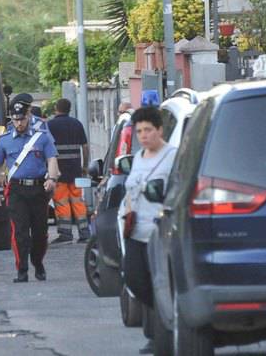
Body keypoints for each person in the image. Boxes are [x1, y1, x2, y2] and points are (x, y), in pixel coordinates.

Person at [119, 106, 177, 354]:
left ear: (160, 130)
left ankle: (160, 336)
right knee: (135, 280)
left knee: (160, 284)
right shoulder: (139, 158)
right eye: (139, 131)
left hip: (160, 234)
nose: (143, 135)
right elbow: (132, 190)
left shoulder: (173, 156)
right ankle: (165, 324)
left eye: (148, 130)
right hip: (135, 231)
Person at [0, 101, 59, 283]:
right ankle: (22, 269)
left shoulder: (41, 137)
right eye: (15, 120)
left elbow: (51, 159)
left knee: (40, 232)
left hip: (37, 188)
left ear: (28, 117)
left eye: (22, 119)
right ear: (11, 119)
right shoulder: (4, 140)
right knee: (20, 231)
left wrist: (51, 179)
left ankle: (38, 263)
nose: (19, 123)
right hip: (16, 190)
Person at [47, 98, 90, 244]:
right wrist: (85, 166)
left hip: (58, 171)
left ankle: (65, 234)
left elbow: (47, 149)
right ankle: (84, 233)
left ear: (56, 108)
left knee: (61, 202)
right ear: (69, 109)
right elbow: (85, 147)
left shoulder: (50, 125)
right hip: (76, 170)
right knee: (78, 201)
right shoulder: (77, 124)